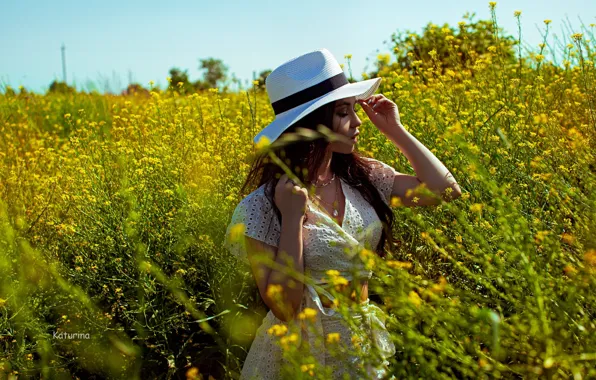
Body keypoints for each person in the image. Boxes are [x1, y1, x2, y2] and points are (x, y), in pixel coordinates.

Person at [224, 48, 462, 379]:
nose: (358, 121)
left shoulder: (363, 178)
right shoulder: (261, 206)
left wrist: (395, 130)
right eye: (342, 112)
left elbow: (445, 191)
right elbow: (284, 307)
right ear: (312, 124)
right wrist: (292, 219)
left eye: (352, 109)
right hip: (298, 355)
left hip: (360, 344)